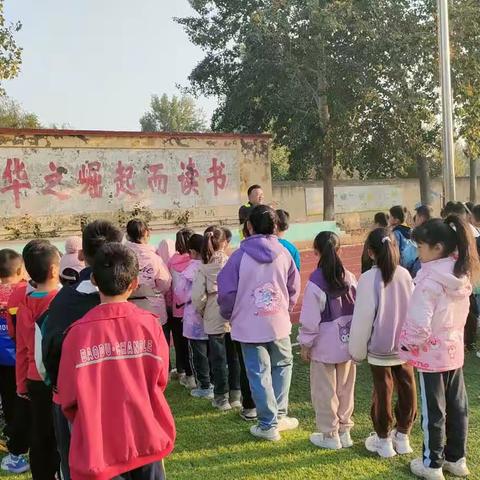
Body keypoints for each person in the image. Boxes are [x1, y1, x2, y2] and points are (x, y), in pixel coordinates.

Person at [57, 243, 176, 480]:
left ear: (94, 281)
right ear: (134, 283)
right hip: (146, 435)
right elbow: (160, 379)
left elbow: (68, 397)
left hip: (100, 445)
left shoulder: (77, 334)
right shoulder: (149, 325)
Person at [399, 215, 480, 480]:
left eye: (420, 247)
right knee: (457, 406)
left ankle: (432, 464)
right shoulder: (461, 272)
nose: (417, 252)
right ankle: (456, 459)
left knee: (433, 411)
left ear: (437, 248)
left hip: (431, 354)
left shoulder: (429, 280)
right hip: (453, 349)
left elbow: (419, 323)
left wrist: (408, 347)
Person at [42, 220, 123, 480]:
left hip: (73, 402)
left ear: (82, 255)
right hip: (121, 401)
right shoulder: (131, 307)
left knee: (77, 467)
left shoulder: (62, 301)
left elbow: (46, 360)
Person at [218, 205, 301, 441]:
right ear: (275, 226)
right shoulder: (284, 253)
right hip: (279, 323)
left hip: (248, 325)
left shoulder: (239, 257)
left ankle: (268, 423)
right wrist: (285, 309)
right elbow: (293, 287)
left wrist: (230, 314)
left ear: (249, 226)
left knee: (259, 373)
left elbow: (226, 294)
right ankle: (278, 416)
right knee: (282, 366)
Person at [349, 228, 416, 458]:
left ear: (370, 252)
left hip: (379, 348)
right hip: (405, 346)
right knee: (408, 389)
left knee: (383, 392)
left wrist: (356, 351)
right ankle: (403, 436)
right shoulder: (405, 275)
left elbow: (363, 318)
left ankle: (384, 439)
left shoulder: (368, 279)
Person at [298, 232, 356, 450]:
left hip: (324, 347)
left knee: (325, 392)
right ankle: (345, 430)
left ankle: (330, 435)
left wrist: (305, 344)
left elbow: (310, 319)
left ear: (316, 252)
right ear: (340, 250)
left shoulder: (315, 281)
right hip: (347, 343)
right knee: (345, 389)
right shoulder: (350, 277)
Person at [17, 240, 61, 480]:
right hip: (59, 378)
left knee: (41, 432)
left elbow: (22, 350)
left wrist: (20, 383)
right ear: (55, 270)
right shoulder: (63, 302)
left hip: (34, 379)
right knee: (62, 431)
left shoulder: (25, 305)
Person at [192, 226, 241, 410]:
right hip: (233, 314)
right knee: (234, 356)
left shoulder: (203, 268)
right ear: (225, 243)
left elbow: (197, 296)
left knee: (218, 359)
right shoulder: (232, 263)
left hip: (213, 313)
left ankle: (221, 398)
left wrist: (203, 310)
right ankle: (236, 395)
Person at [0, 250, 30, 474]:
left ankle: (12, 437)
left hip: (3, 360)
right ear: (21, 270)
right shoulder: (26, 291)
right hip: (22, 358)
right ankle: (21, 443)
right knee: (25, 402)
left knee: (9, 402)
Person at [174, 234, 213, 399]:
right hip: (211, 314)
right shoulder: (211, 266)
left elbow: (180, 294)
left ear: (191, 251)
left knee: (198, 353)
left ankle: (204, 385)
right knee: (214, 351)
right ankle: (215, 382)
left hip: (193, 316)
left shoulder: (189, 270)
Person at [125, 219, 171, 324]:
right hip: (154, 309)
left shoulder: (122, 257)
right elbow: (165, 282)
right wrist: (155, 291)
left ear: (127, 235)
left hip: (129, 307)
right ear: (146, 233)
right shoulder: (154, 258)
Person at [168, 228, 196, 388]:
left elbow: (169, 285)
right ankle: (196, 373)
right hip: (194, 307)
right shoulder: (196, 261)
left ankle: (183, 371)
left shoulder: (171, 262)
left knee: (180, 343)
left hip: (178, 308)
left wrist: (169, 304)